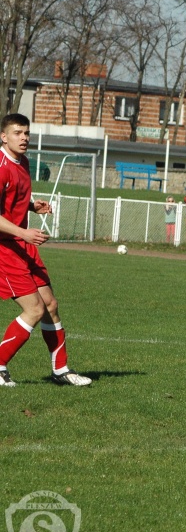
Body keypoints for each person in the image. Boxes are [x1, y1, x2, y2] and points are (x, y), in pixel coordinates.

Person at [0, 113, 91, 387]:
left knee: (50, 304)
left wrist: (32, 206)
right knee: (35, 309)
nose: (24, 138)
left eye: (26, 133)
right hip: (5, 248)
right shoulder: (1, 167)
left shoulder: (23, 162)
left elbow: (12, 201)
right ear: (3, 136)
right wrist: (24, 233)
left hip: (22, 244)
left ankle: (61, 370)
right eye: (17, 133)